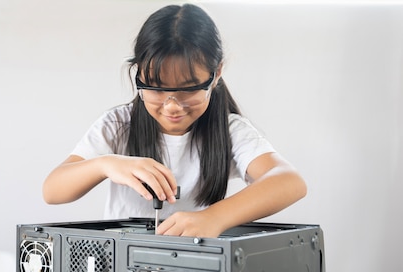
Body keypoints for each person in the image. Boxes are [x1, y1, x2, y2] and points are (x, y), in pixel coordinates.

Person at [42, 4, 306, 238]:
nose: (172, 106)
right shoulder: (118, 125)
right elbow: (52, 191)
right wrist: (106, 164)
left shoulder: (230, 131)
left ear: (216, 75)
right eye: (156, 88)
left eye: (189, 89)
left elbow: (290, 182)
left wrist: (214, 218)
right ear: (138, 74)